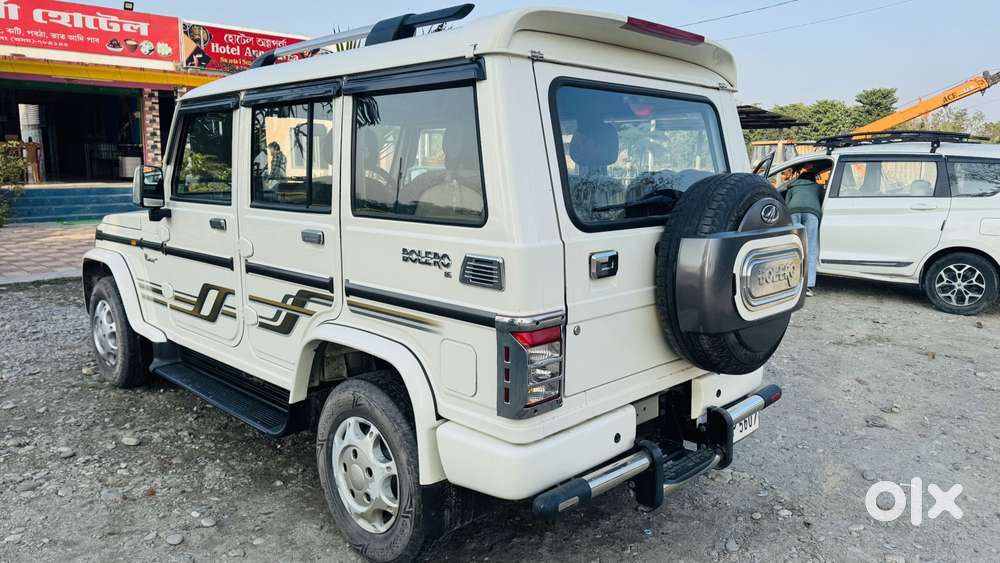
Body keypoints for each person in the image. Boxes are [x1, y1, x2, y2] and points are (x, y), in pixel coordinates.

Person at [784, 167, 825, 296]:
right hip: (812, 213)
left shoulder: (792, 187)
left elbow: (786, 204)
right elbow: (823, 201)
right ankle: (808, 287)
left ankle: (791, 283)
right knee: (811, 248)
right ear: (813, 180)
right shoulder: (818, 187)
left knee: (795, 247)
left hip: (794, 211)